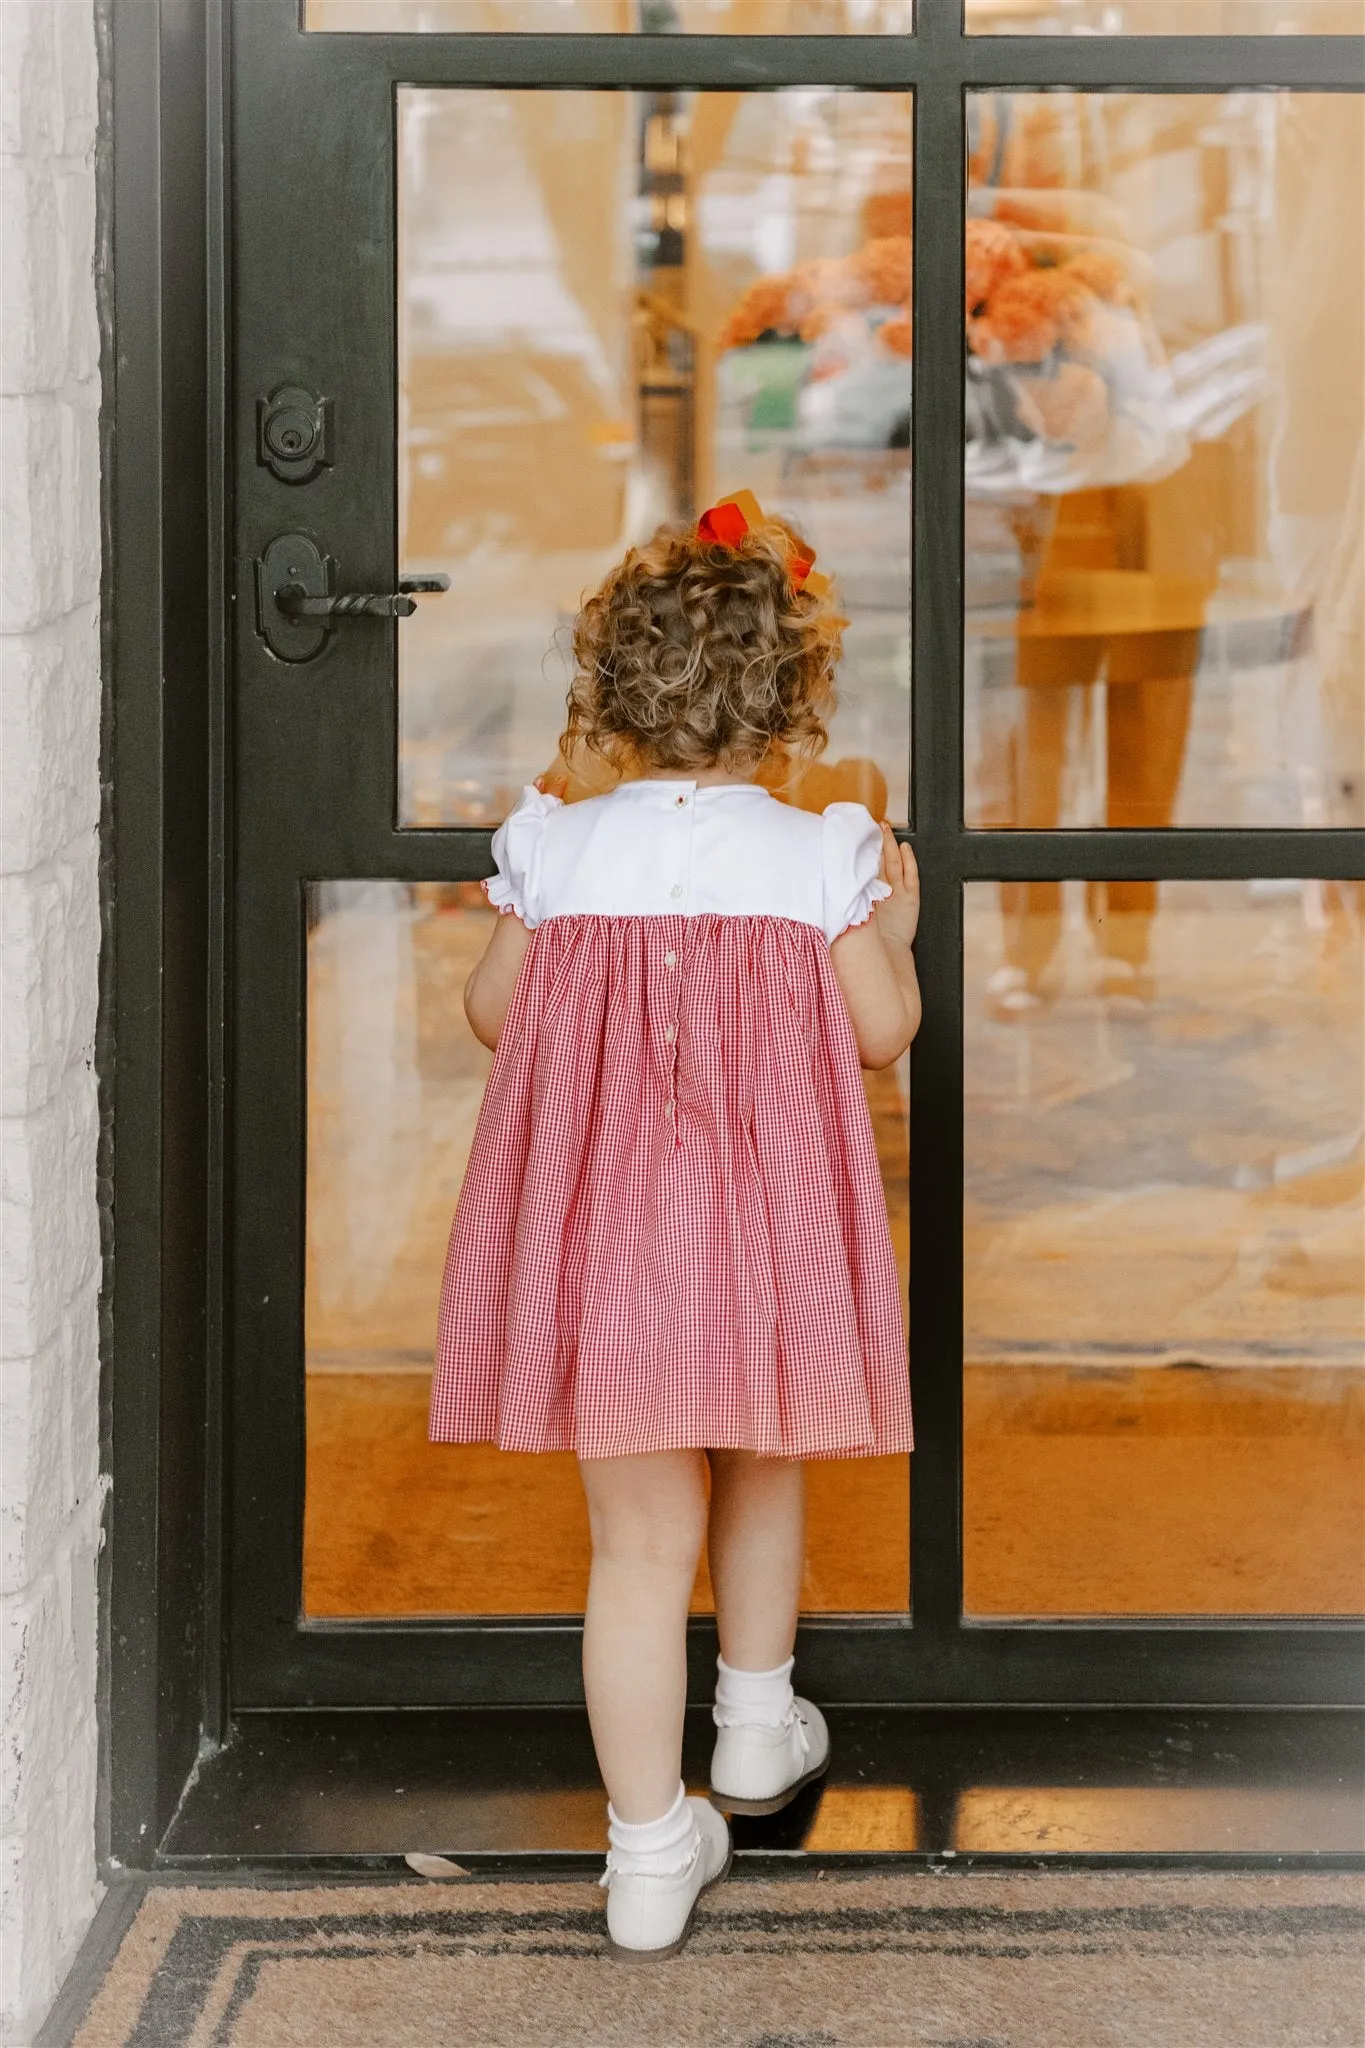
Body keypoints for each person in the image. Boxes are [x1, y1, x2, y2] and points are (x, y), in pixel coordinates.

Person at [429, 493, 920, 1956]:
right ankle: (759, 1728)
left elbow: (489, 1015)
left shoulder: (559, 848)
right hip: (768, 1238)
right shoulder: (821, 849)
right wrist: (896, 911)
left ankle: (648, 1855)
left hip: (609, 1247)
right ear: (792, 699)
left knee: (639, 1551)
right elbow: (883, 1034)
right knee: (767, 1456)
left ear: (611, 697)